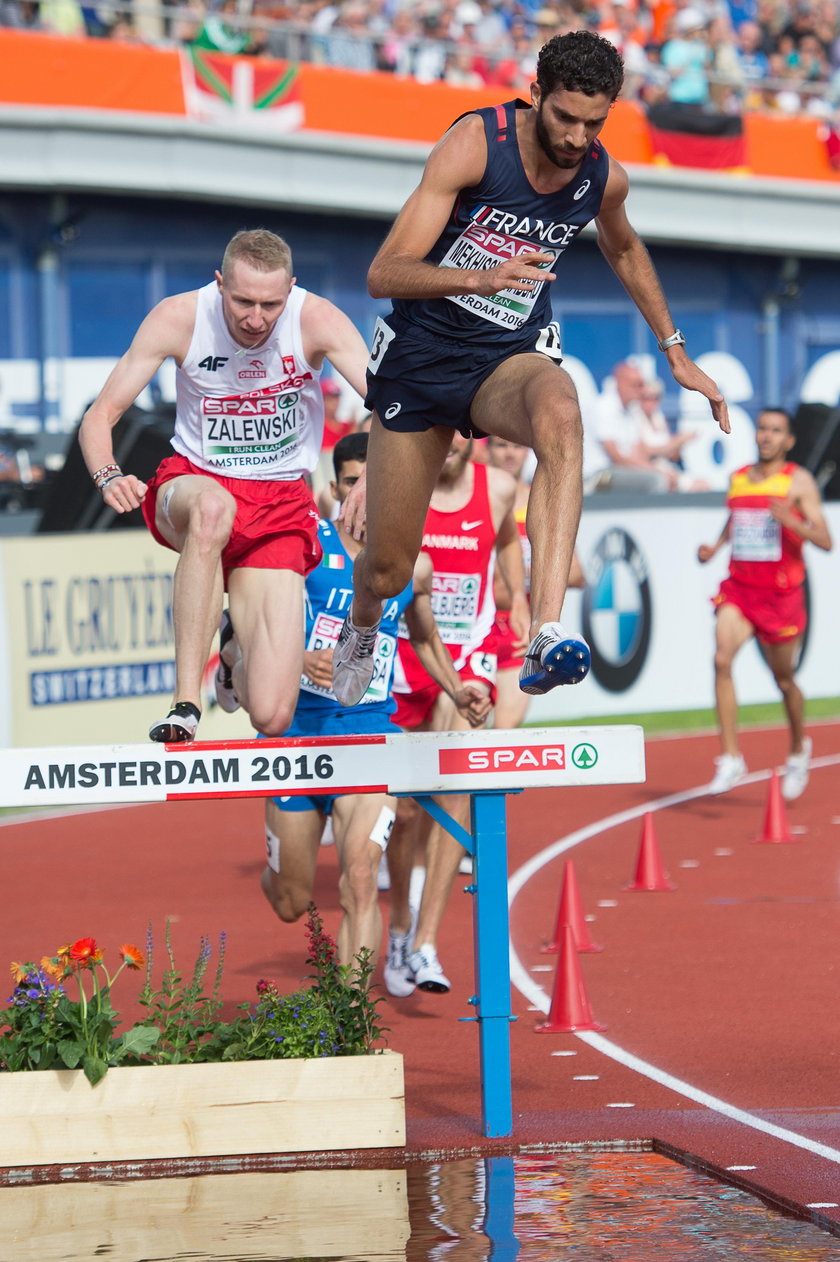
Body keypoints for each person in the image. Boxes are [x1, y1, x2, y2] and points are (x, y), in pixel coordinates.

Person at [331, 29, 729, 711]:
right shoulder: (475, 145)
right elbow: (383, 272)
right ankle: (363, 625)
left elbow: (625, 248)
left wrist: (676, 350)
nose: (576, 138)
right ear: (536, 93)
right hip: (421, 360)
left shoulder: (602, 176)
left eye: (593, 124)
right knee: (392, 567)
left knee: (563, 414)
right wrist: (479, 278)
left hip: (504, 358)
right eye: (564, 118)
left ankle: (545, 629)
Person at [77, 228, 370, 744]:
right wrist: (108, 474)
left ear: (291, 290)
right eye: (242, 302)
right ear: (219, 284)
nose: (255, 319)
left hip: (279, 501)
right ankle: (186, 702)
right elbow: (100, 416)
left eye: (270, 305)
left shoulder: (316, 319)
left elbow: (391, 406)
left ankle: (232, 651)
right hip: (195, 483)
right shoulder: (180, 317)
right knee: (214, 510)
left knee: (271, 715)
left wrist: (370, 478)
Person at [262, 432, 489, 970]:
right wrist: (295, 659)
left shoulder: (409, 562)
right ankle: (279, 856)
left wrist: (458, 688)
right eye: (351, 483)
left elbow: (426, 637)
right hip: (297, 737)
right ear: (336, 487)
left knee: (361, 878)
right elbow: (250, 628)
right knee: (291, 901)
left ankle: (351, 1032)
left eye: (377, 483)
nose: (364, 496)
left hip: (370, 734)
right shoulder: (303, 544)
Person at [383, 432, 526, 996]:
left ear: (473, 439)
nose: (448, 444)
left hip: (467, 657)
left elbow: (509, 536)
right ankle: (399, 927)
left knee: (454, 787)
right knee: (403, 813)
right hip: (401, 655)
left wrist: (512, 594)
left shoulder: (499, 489)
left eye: (458, 434)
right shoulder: (401, 486)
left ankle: (425, 943)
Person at [697, 407, 832, 800]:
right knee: (721, 659)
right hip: (740, 589)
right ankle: (731, 757)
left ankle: (797, 749)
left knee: (784, 679)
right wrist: (715, 547)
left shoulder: (799, 482)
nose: (767, 436)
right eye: (762, 429)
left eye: (775, 431)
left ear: (788, 441)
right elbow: (735, 520)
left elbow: (825, 541)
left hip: (780, 596)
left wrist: (793, 521)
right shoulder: (738, 478)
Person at [485, 434, 585, 729]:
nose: (509, 454)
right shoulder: (477, 495)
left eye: (516, 446)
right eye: (501, 446)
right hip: (476, 628)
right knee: (461, 734)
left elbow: (577, 573)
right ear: (488, 449)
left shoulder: (539, 501)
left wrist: (525, 569)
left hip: (517, 631)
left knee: (504, 732)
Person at [586, 358, 675, 493]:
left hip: (618, 470)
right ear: (621, 385)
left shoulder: (632, 410)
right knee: (656, 480)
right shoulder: (603, 408)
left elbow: (636, 453)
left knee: (666, 477)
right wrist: (655, 471)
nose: (643, 390)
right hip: (598, 475)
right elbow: (617, 457)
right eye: (638, 385)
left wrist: (661, 470)